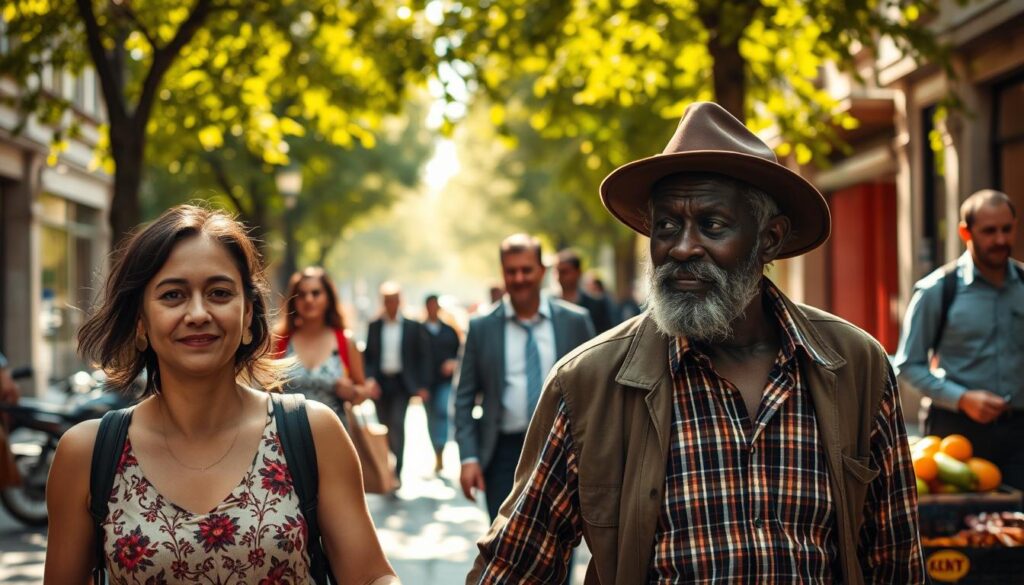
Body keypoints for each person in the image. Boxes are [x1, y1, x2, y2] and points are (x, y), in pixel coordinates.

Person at [467, 102, 923, 584]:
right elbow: (513, 567)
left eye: (712, 225)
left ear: (769, 239)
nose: (682, 248)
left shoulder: (855, 366)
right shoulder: (588, 384)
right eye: (666, 226)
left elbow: (896, 560)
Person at [45, 205, 398, 584]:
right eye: (172, 295)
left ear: (248, 316)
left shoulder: (314, 434)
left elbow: (370, 576)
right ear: (141, 323)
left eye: (218, 292)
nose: (197, 313)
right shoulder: (88, 453)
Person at [455, 234, 595, 522]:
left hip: (561, 453)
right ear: (503, 273)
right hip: (503, 454)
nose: (519, 278)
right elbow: (464, 397)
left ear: (541, 272)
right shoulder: (481, 328)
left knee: (558, 549)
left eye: (526, 270)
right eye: (511, 271)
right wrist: (469, 458)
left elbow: (596, 391)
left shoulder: (575, 322)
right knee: (506, 546)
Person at [895, 189, 1023, 487]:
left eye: (1007, 229)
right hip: (955, 435)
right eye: (989, 231)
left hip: (1020, 434)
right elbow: (907, 365)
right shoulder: (937, 290)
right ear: (966, 232)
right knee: (960, 530)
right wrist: (962, 399)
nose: (1001, 240)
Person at [274, 267, 375, 426]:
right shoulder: (279, 341)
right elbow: (265, 393)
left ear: (328, 298)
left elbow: (362, 394)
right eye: (301, 294)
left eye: (316, 293)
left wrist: (353, 392)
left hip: (334, 439)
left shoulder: (345, 341)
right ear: (293, 300)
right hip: (286, 439)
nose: (308, 299)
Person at [363, 282, 431, 483]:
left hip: (402, 384)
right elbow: (368, 357)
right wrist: (370, 379)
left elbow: (422, 356)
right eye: (387, 301)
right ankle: (388, 463)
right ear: (382, 302)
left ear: (400, 301)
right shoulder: (374, 326)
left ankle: (398, 470)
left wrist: (422, 385)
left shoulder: (412, 326)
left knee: (397, 424)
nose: (391, 304)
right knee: (384, 426)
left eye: (394, 300)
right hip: (381, 385)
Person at [422, 294, 461, 474]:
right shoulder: (419, 330)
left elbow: (460, 354)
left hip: (445, 382)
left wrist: (453, 363)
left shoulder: (448, 331)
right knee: (431, 418)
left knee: (441, 412)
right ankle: (436, 452)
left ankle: (441, 450)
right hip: (427, 383)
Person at [555, 248, 611, 333]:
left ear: (578, 272)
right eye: (558, 272)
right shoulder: (551, 305)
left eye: (565, 272)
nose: (560, 277)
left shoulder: (596, 305)